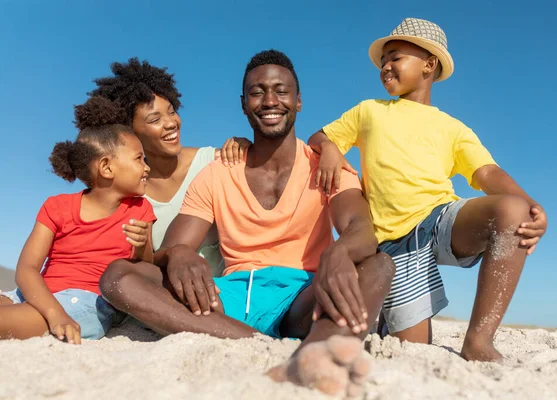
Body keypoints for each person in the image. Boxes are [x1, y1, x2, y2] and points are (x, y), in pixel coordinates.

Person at [99, 50, 395, 397]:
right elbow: (171, 249)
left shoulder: (326, 166)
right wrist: (176, 255)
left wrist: (339, 252)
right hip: (231, 299)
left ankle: (321, 352)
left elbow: (361, 229)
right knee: (119, 276)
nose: (270, 101)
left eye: (281, 91)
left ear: (298, 101)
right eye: (257, 92)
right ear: (243, 104)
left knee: (379, 264)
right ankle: (253, 342)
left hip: (303, 297)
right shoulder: (217, 173)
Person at [305, 18, 548, 362]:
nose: (385, 66)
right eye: (383, 61)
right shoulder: (369, 111)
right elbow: (321, 137)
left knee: (512, 212)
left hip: (439, 220)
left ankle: (478, 340)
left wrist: (532, 205)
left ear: (428, 65)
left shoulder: (453, 128)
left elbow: (487, 171)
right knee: (411, 350)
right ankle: (386, 320)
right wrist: (330, 148)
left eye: (395, 57)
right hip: (392, 244)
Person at [0, 97, 156, 344]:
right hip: (38, 295)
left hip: (85, 303)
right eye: (139, 158)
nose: (147, 167)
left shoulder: (140, 209)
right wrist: (53, 312)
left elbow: (146, 264)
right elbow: (27, 269)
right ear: (106, 168)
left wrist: (143, 244)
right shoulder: (57, 206)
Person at [89, 58, 249, 276]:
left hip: (227, 296)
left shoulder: (216, 161)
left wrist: (246, 146)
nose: (171, 123)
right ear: (129, 132)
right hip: (169, 299)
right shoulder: (130, 193)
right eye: (155, 120)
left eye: (172, 111)